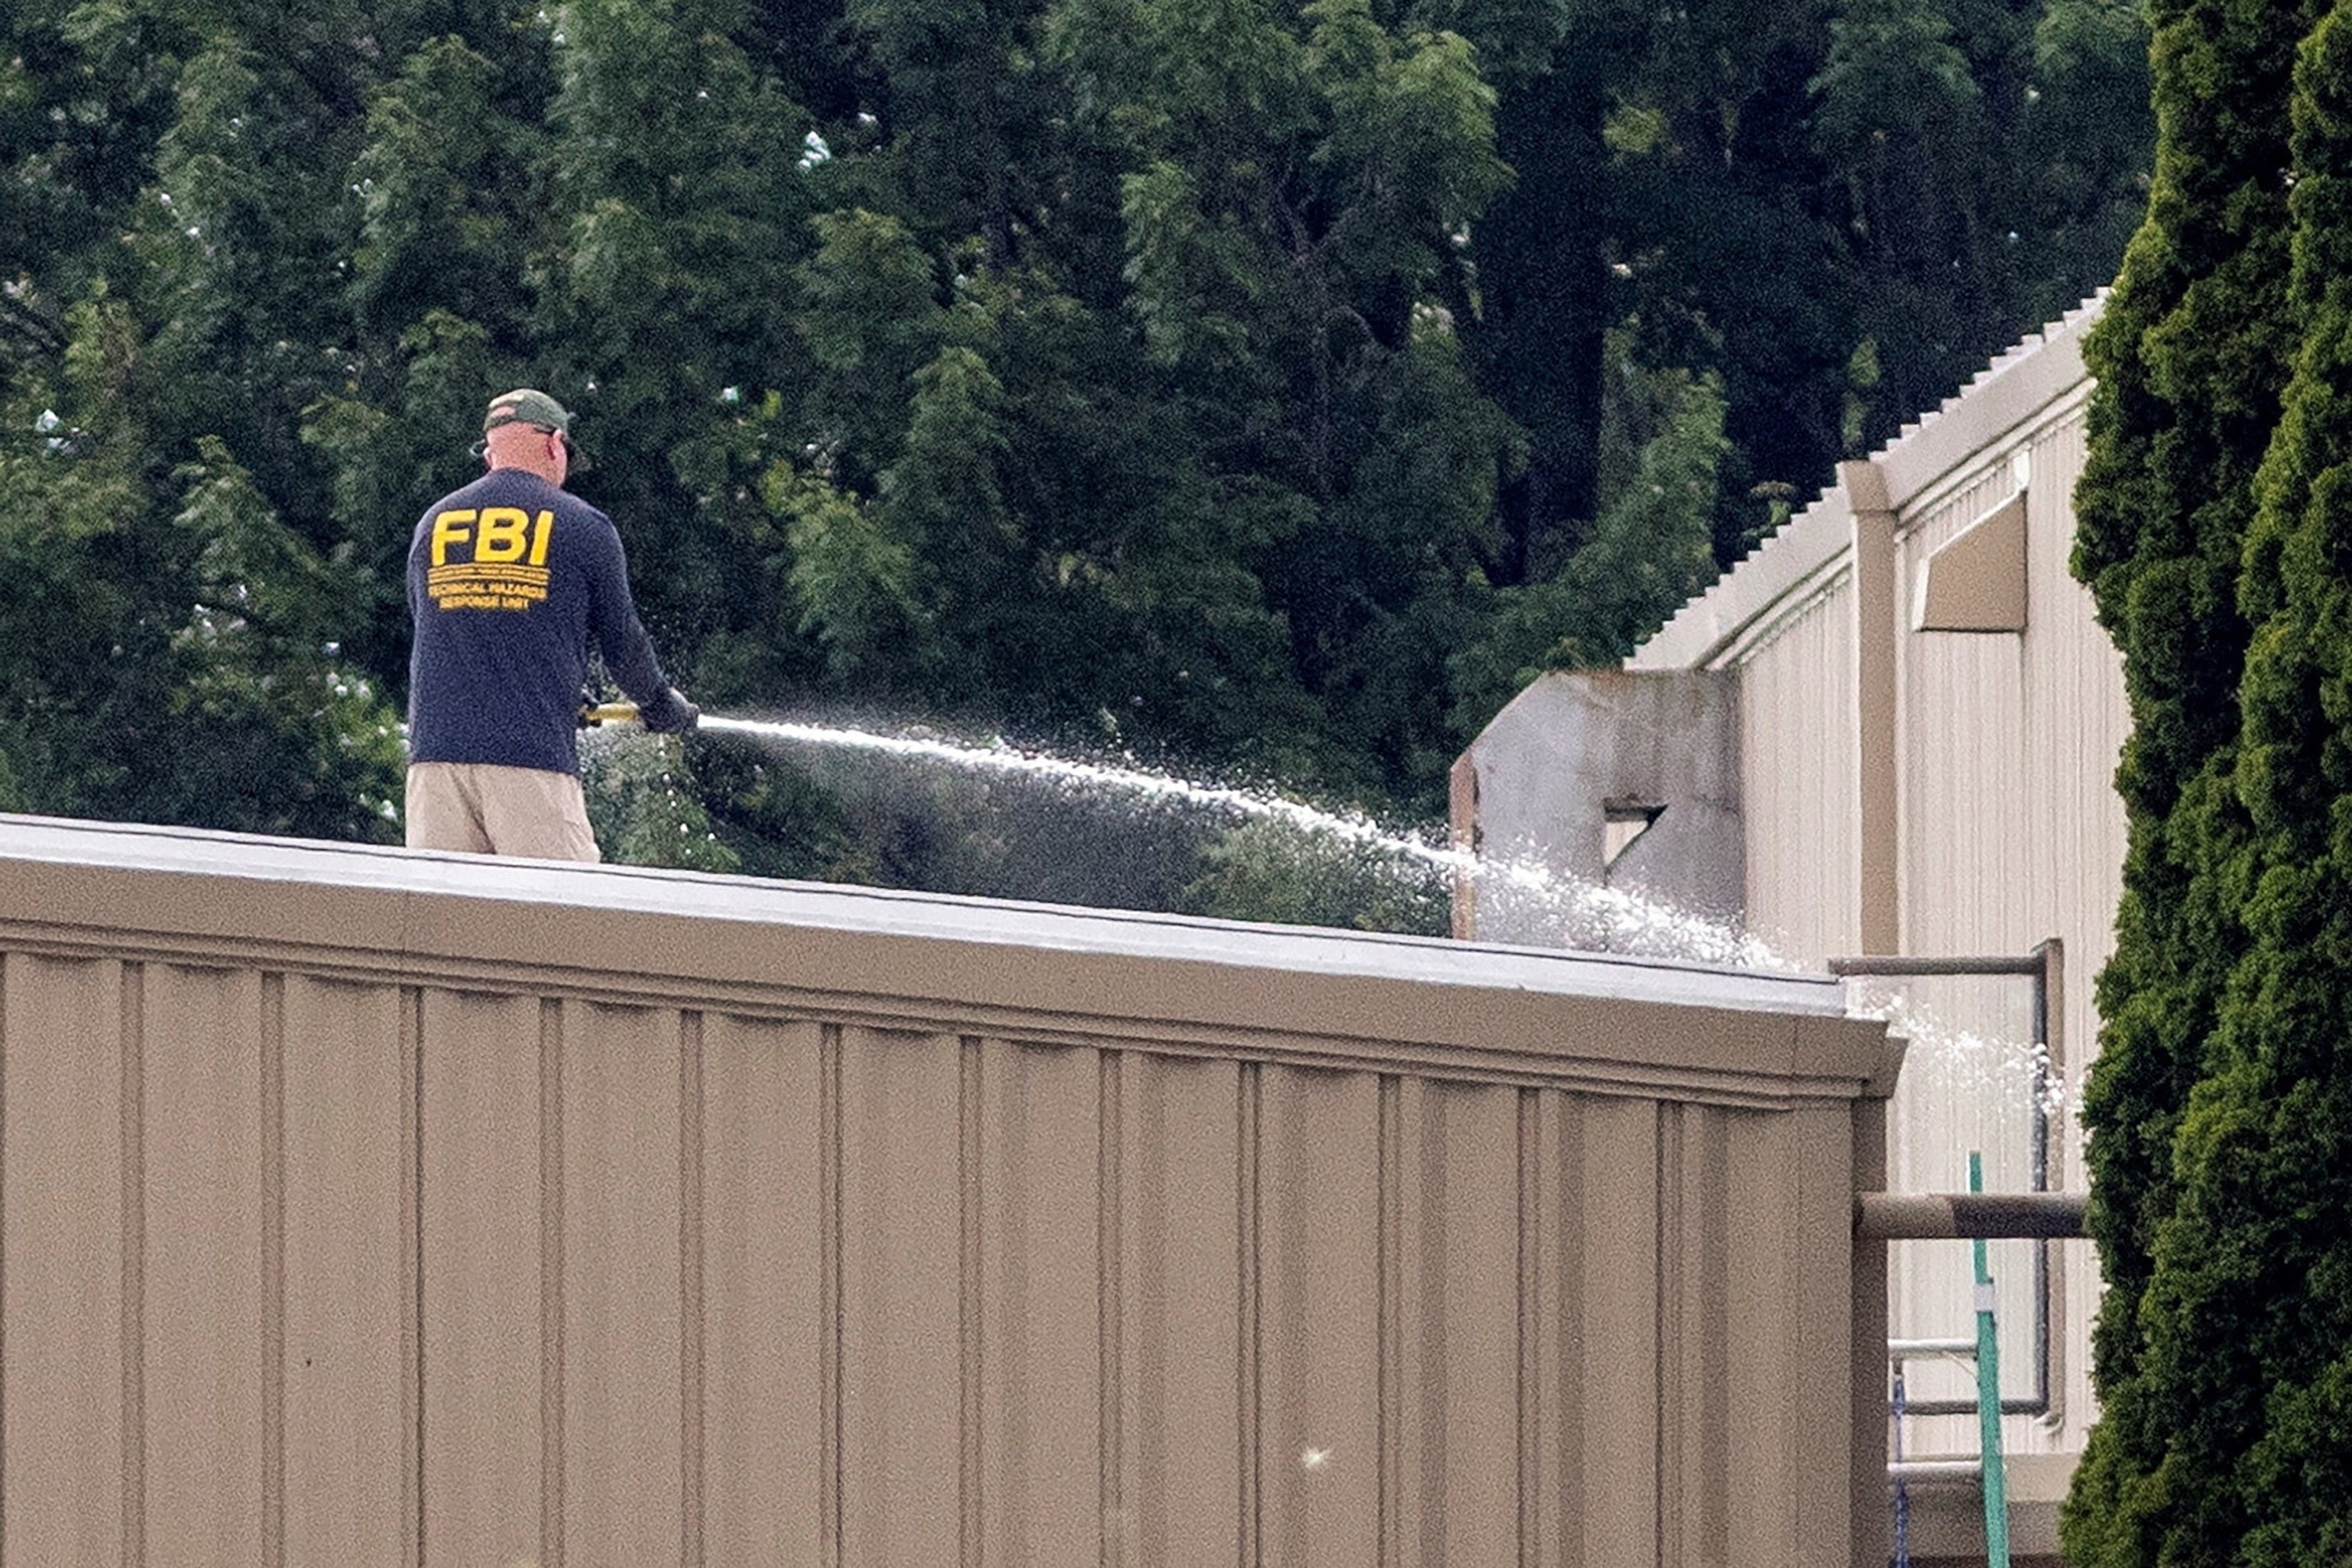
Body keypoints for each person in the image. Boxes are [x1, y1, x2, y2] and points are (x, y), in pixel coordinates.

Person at [404, 387, 697, 860]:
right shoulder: (581, 525)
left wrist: (561, 688)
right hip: (529, 763)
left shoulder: (434, 524)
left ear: (490, 451)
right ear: (554, 443)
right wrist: (660, 704)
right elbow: (623, 645)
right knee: (565, 923)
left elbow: (450, 631)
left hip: (434, 765)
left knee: (444, 926)